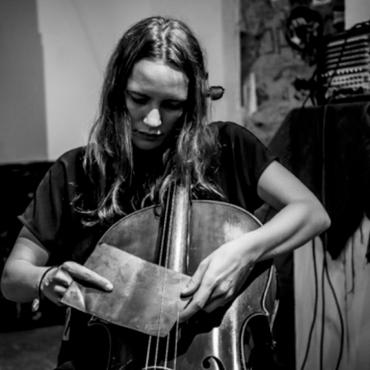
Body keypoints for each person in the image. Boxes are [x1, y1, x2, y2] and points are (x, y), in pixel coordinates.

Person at [1, 15, 330, 369]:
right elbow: (12, 278)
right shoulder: (77, 171)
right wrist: (46, 279)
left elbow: (311, 212)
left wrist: (243, 252)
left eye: (173, 105)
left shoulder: (228, 147)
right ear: (116, 89)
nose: (153, 120)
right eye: (139, 98)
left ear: (192, 102)